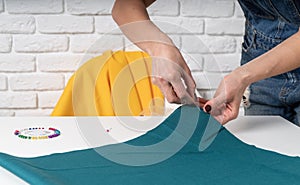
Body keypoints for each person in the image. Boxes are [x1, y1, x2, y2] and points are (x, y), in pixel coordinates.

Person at [112, 0, 300, 125]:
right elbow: (125, 7)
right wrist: (160, 48)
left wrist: (242, 76)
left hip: (254, 72)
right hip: (261, 78)